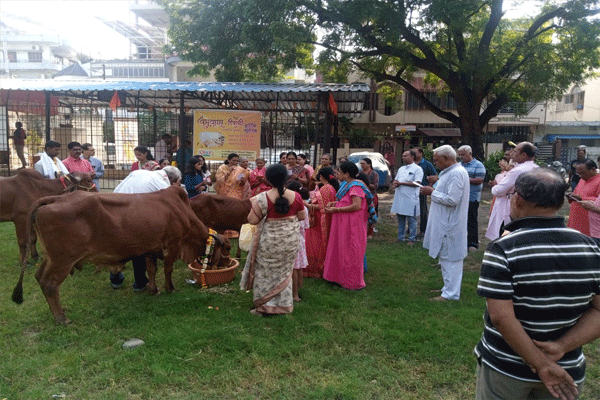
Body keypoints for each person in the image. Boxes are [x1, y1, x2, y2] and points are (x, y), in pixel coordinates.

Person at [474, 168, 600, 400]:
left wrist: (541, 364)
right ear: (561, 201)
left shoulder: (503, 249)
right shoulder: (592, 247)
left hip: (507, 368)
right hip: (566, 370)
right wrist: (561, 346)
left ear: (518, 199)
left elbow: (501, 317)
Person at [240, 164, 306, 316]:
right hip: (290, 240)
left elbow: (252, 220)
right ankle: (283, 306)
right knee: (284, 272)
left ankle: (265, 307)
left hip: (269, 241)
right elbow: (301, 217)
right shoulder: (296, 196)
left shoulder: (262, 198)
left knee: (265, 272)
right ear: (287, 178)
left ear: (268, 180)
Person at [110, 166, 183, 290]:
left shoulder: (138, 173)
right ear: (172, 179)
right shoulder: (163, 184)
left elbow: (118, 189)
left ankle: (116, 279)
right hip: (133, 215)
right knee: (139, 248)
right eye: (176, 182)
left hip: (113, 209)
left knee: (117, 247)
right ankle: (140, 283)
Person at [420, 145, 470, 301]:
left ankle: (451, 294)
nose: (435, 163)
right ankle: (447, 288)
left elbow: (452, 199)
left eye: (436, 160)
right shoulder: (449, 172)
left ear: (446, 158)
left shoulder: (457, 174)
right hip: (444, 221)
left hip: (450, 223)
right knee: (445, 256)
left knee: (451, 258)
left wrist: (432, 192)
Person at [322, 161, 375, 290]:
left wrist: (336, 210)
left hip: (352, 225)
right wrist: (335, 203)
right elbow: (346, 201)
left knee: (350, 250)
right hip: (343, 223)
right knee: (340, 248)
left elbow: (356, 206)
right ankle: (337, 277)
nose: (337, 174)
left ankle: (350, 281)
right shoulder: (347, 185)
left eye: (339, 172)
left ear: (346, 174)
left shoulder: (355, 187)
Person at [486, 142, 539, 241]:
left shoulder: (518, 170)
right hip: (528, 206)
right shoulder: (536, 168)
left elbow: (498, 190)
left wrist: (496, 185)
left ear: (524, 155)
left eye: (515, 151)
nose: (512, 153)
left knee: (504, 234)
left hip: (510, 205)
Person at [303, 166, 338, 279]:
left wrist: (308, 205)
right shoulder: (330, 187)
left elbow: (322, 206)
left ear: (321, 176)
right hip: (324, 218)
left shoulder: (325, 189)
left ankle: (316, 268)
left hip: (319, 219)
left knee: (315, 242)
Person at [391, 150, 423, 245]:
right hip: (400, 197)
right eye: (402, 156)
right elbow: (396, 179)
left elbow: (417, 183)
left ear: (412, 157)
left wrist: (401, 183)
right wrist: (395, 183)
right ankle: (400, 237)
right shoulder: (401, 169)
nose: (403, 157)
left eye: (405, 156)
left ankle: (411, 239)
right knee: (400, 218)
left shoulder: (417, 169)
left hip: (410, 198)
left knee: (411, 220)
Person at [457, 145, 486, 251]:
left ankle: (473, 244)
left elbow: (479, 180)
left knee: (471, 221)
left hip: (472, 198)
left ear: (470, 153)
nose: (461, 156)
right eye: (459, 154)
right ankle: (461, 242)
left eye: (463, 154)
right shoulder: (459, 165)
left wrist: (465, 179)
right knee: (459, 221)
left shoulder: (478, 165)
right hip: (459, 197)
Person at [286, 180, 310, 302]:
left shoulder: (289, 206)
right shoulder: (304, 207)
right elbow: (306, 226)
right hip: (300, 239)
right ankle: (298, 289)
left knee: (293, 267)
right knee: (299, 266)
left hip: (291, 238)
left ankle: (294, 295)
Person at [567, 159, 600, 236]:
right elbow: (576, 193)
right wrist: (571, 197)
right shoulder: (582, 180)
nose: (580, 176)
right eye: (578, 174)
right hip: (575, 220)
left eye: (582, 173)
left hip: (589, 224)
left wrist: (581, 198)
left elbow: (597, 202)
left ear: (593, 169)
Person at [414, 147, 438, 240]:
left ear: (421, 153)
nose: (413, 155)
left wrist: (429, 186)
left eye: (415, 153)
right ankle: (411, 229)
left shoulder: (427, 164)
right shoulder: (411, 164)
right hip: (411, 191)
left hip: (422, 190)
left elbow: (435, 176)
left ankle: (423, 230)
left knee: (422, 210)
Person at [360, 158, 380, 238]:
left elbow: (376, 186)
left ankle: (370, 232)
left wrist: (366, 184)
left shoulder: (374, 173)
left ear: (369, 164)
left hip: (371, 196)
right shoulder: (360, 173)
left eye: (363, 163)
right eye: (361, 164)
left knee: (371, 213)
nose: (362, 165)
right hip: (361, 195)